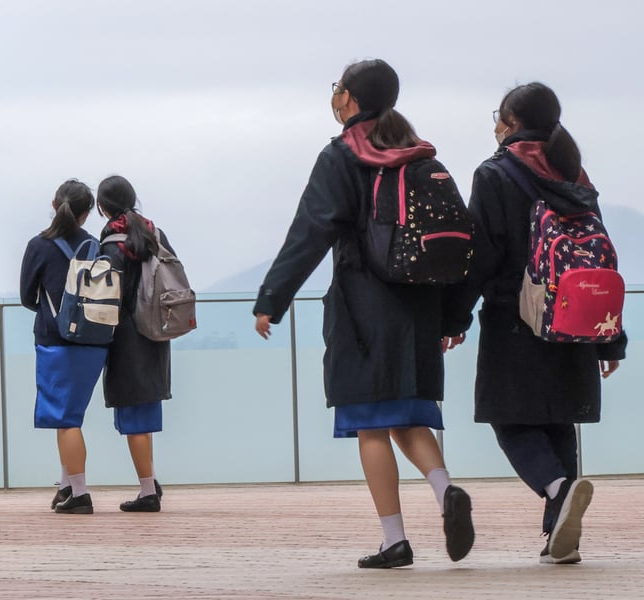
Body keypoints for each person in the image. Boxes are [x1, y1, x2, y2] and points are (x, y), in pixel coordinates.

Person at [252, 60, 474, 568]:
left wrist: (272, 298)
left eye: (337, 89)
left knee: (372, 425)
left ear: (349, 99)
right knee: (410, 417)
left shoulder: (343, 156)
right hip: (421, 308)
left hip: (364, 308)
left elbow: (311, 230)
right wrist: (453, 318)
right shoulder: (418, 154)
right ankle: (445, 492)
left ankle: (394, 540)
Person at [444, 82, 626, 565]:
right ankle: (560, 537)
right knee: (558, 419)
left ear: (509, 121)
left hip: (515, 315)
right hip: (577, 316)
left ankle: (559, 489)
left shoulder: (496, 173)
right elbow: (598, 256)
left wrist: (454, 316)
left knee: (510, 419)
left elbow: (481, 254)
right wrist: (611, 337)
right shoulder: (573, 172)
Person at [20, 179, 107, 514]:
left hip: (55, 341)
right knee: (71, 416)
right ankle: (67, 486)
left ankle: (80, 493)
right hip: (95, 342)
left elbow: (28, 296)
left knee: (65, 418)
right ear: (87, 214)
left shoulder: (39, 245)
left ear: (55, 205)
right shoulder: (94, 245)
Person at [97, 175, 170, 513]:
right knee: (143, 411)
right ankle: (149, 479)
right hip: (156, 332)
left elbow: (108, 295)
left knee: (135, 418)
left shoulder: (113, 242)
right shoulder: (154, 232)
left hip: (126, 335)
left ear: (102, 205)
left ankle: (147, 492)